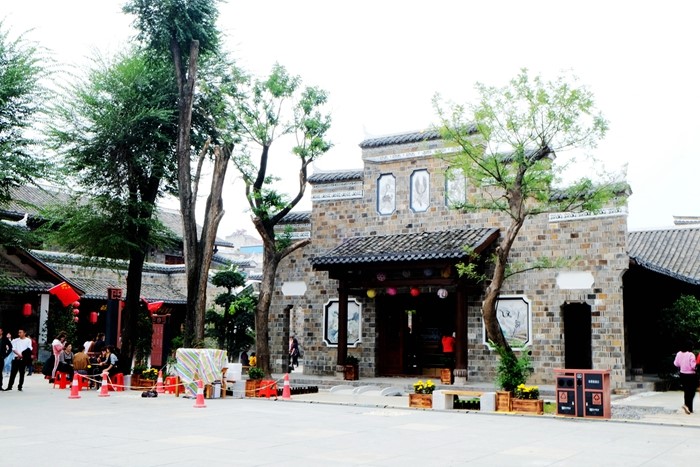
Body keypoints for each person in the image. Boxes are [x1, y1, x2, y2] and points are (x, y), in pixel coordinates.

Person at [674, 340, 697, 414]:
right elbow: (693, 366)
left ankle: (688, 407)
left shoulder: (678, 353)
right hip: (691, 375)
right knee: (692, 391)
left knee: (686, 391)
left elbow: (676, 364)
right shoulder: (691, 354)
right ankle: (688, 406)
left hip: (682, 374)